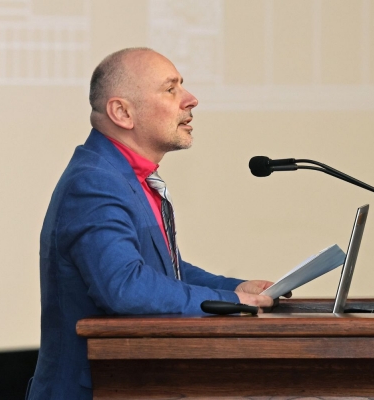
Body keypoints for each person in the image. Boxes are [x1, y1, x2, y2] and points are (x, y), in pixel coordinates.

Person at [27, 47, 279, 400]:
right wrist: (231, 301)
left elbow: (162, 271)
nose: (191, 100)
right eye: (171, 89)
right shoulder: (95, 182)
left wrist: (237, 288)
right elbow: (127, 286)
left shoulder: (124, 176)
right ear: (122, 112)